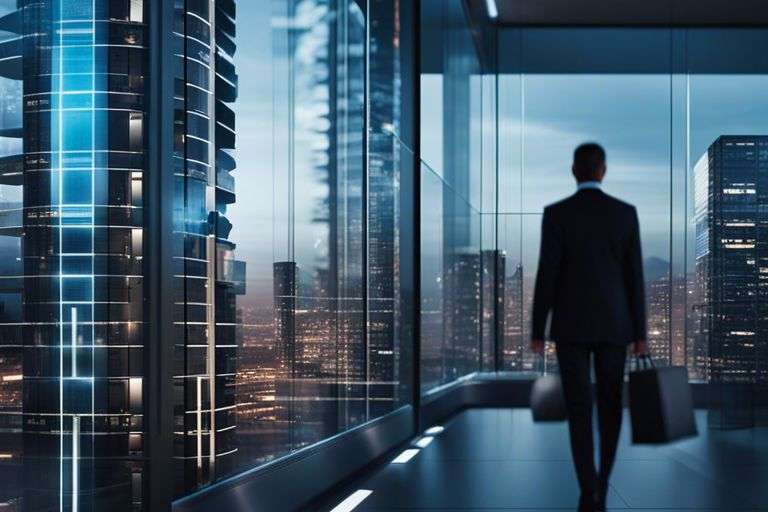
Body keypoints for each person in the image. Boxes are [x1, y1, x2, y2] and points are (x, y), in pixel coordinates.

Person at [530, 143, 647, 512]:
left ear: (573, 171)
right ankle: (603, 480)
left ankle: (587, 490)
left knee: (579, 408)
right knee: (610, 405)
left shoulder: (557, 214)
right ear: (603, 170)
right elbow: (635, 278)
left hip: (570, 326)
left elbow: (546, 275)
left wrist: (537, 329)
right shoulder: (625, 214)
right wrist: (640, 333)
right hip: (615, 325)